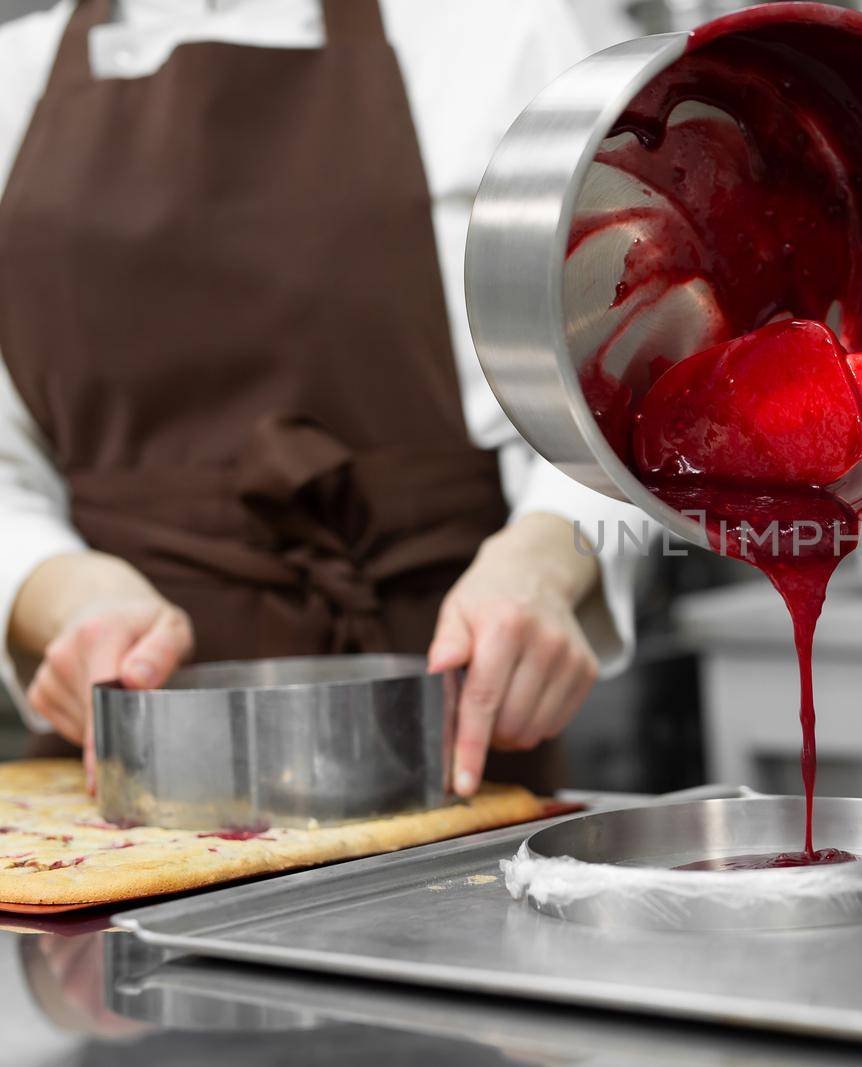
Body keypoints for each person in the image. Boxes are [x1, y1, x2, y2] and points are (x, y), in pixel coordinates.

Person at [0, 0, 639, 795]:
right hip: (124, 764)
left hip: (447, 738)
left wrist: (546, 559)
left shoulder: (508, 33)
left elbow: (637, 389)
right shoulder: (11, 78)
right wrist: (56, 590)